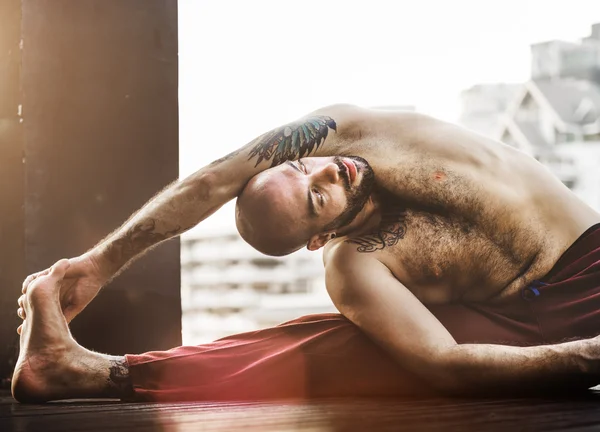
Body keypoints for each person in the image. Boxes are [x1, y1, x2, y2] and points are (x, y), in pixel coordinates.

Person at [12, 105, 600, 403]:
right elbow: (440, 363)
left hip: (588, 269)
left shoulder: (355, 130)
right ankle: (86, 371)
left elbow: (213, 182)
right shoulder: (353, 268)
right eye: (319, 198)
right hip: (518, 325)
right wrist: (587, 358)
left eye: (301, 166)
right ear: (319, 238)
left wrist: (97, 263)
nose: (331, 171)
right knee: (324, 351)